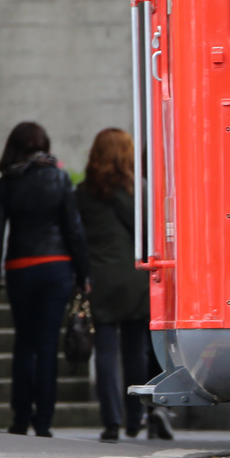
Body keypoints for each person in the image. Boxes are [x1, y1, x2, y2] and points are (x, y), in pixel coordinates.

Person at [0, 122, 87, 437]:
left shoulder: (6, 184)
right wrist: (84, 274)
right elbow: (74, 230)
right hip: (57, 267)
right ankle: (44, 421)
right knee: (46, 345)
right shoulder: (60, 178)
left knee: (24, 345)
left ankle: (19, 418)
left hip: (20, 267)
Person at [74, 129, 166, 441]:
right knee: (135, 351)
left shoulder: (83, 193)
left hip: (99, 280)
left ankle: (111, 421)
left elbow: (78, 238)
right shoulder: (137, 191)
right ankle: (135, 417)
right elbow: (146, 235)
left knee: (105, 352)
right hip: (132, 279)